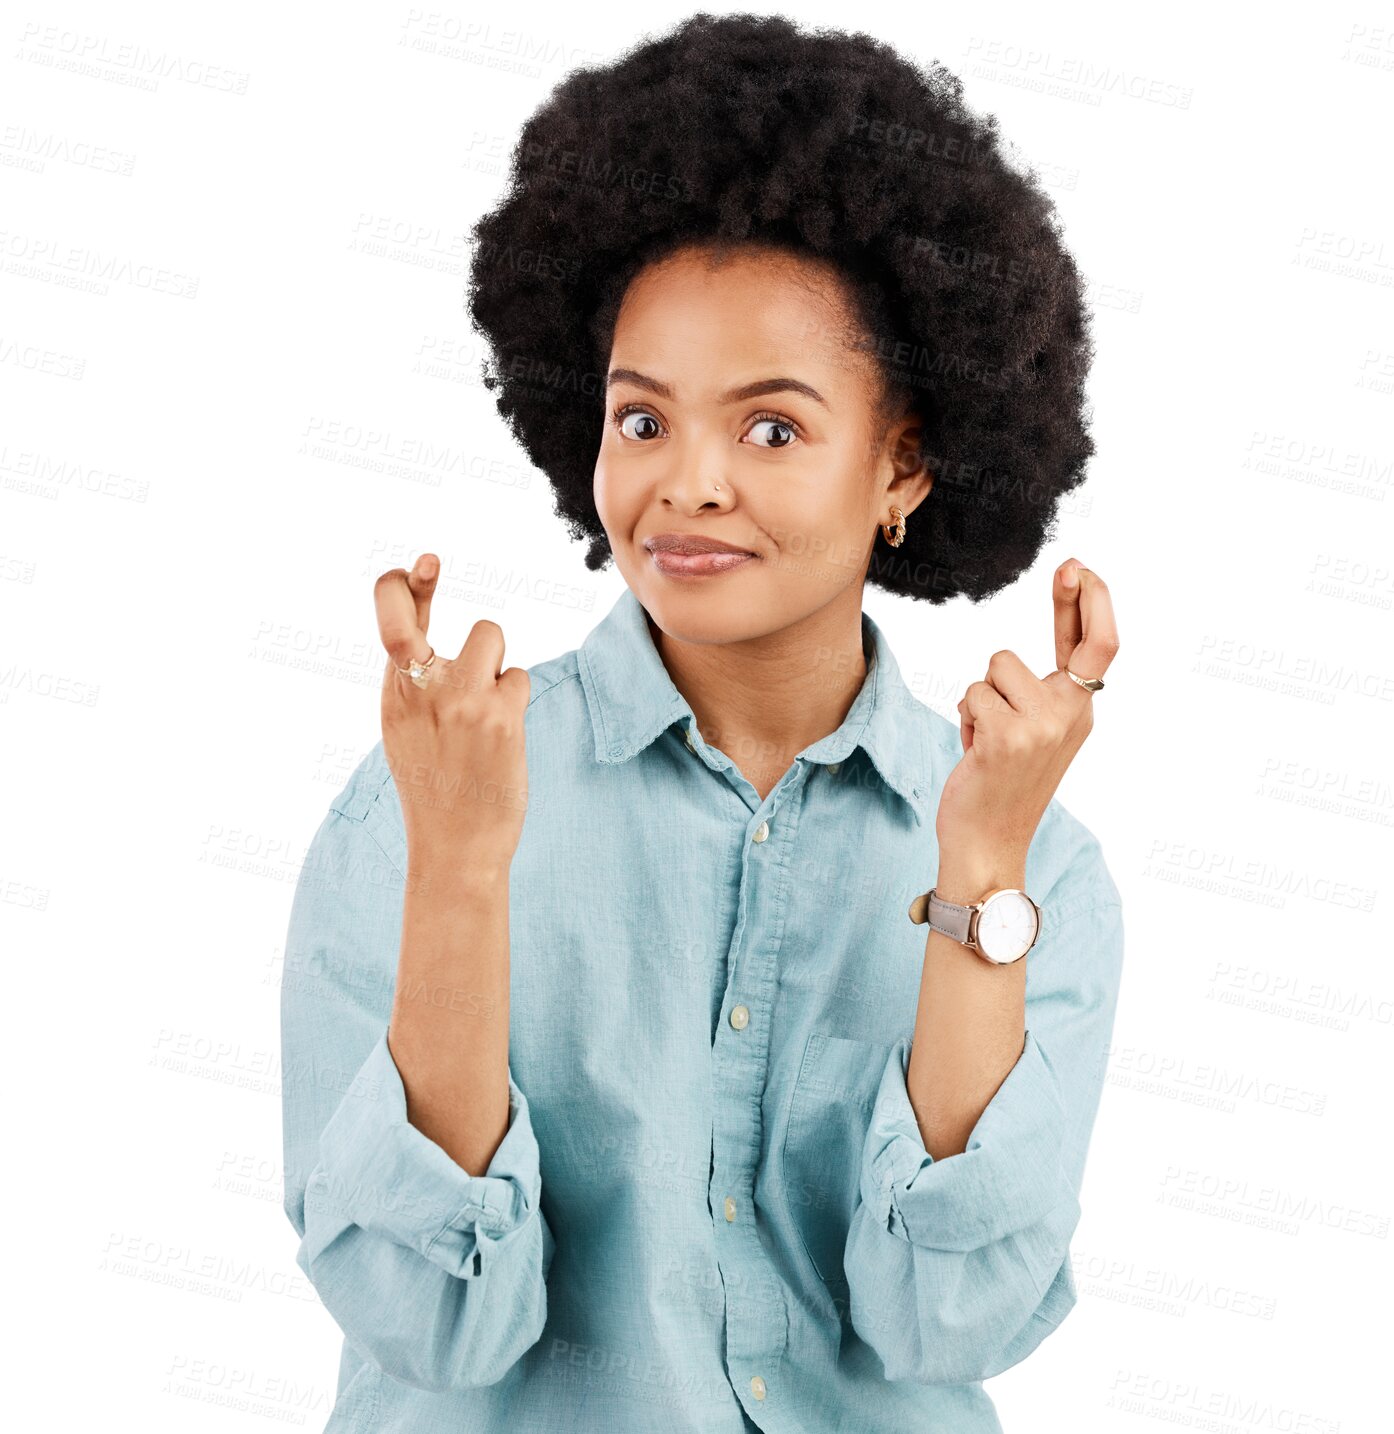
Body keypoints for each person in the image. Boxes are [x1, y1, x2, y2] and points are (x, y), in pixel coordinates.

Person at [281, 14, 1124, 1432]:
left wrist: (977, 868)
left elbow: (948, 1320)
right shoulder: (424, 795)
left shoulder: (1042, 865)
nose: (688, 486)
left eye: (772, 428)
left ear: (901, 462)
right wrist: (464, 869)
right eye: (641, 420)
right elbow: (429, 1324)